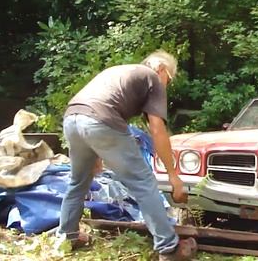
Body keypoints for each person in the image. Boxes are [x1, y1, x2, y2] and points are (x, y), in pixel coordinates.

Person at [57, 50, 197, 260]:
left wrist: (94, 155)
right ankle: (169, 248)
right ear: (161, 70)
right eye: (169, 79)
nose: (167, 84)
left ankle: (67, 238)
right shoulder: (153, 79)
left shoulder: (120, 72)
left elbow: (97, 106)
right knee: (143, 182)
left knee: (78, 182)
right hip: (100, 120)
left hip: (72, 118)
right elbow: (157, 130)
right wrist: (173, 176)